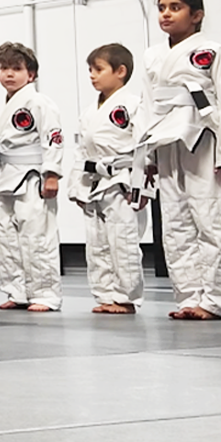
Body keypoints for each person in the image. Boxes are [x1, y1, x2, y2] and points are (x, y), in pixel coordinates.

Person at [137, 0, 221, 320]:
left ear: (196, 16)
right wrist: (148, 155)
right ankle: (189, 296)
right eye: (162, 8)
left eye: (176, 7)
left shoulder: (212, 51)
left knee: (210, 219)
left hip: (204, 139)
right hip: (166, 142)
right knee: (175, 222)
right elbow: (148, 106)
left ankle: (217, 299)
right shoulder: (152, 56)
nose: (166, 14)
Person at [68, 43, 147, 314]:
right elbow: (81, 152)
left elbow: (144, 149)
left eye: (99, 69)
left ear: (120, 71)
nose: (92, 75)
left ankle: (126, 297)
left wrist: (143, 188)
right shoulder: (89, 112)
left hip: (123, 181)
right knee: (97, 243)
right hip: (95, 183)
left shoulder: (134, 105)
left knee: (123, 241)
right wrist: (77, 187)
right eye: (90, 70)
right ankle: (105, 295)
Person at [0, 42, 64, 312]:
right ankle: (17, 290)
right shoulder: (2, 108)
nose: (9, 74)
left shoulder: (39, 103)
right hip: (7, 176)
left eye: (16, 69)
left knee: (36, 236)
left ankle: (46, 294)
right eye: (3, 68)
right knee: (7, 237)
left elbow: (53, 139)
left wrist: (51, 174)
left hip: (33, 176)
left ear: (31, 74)